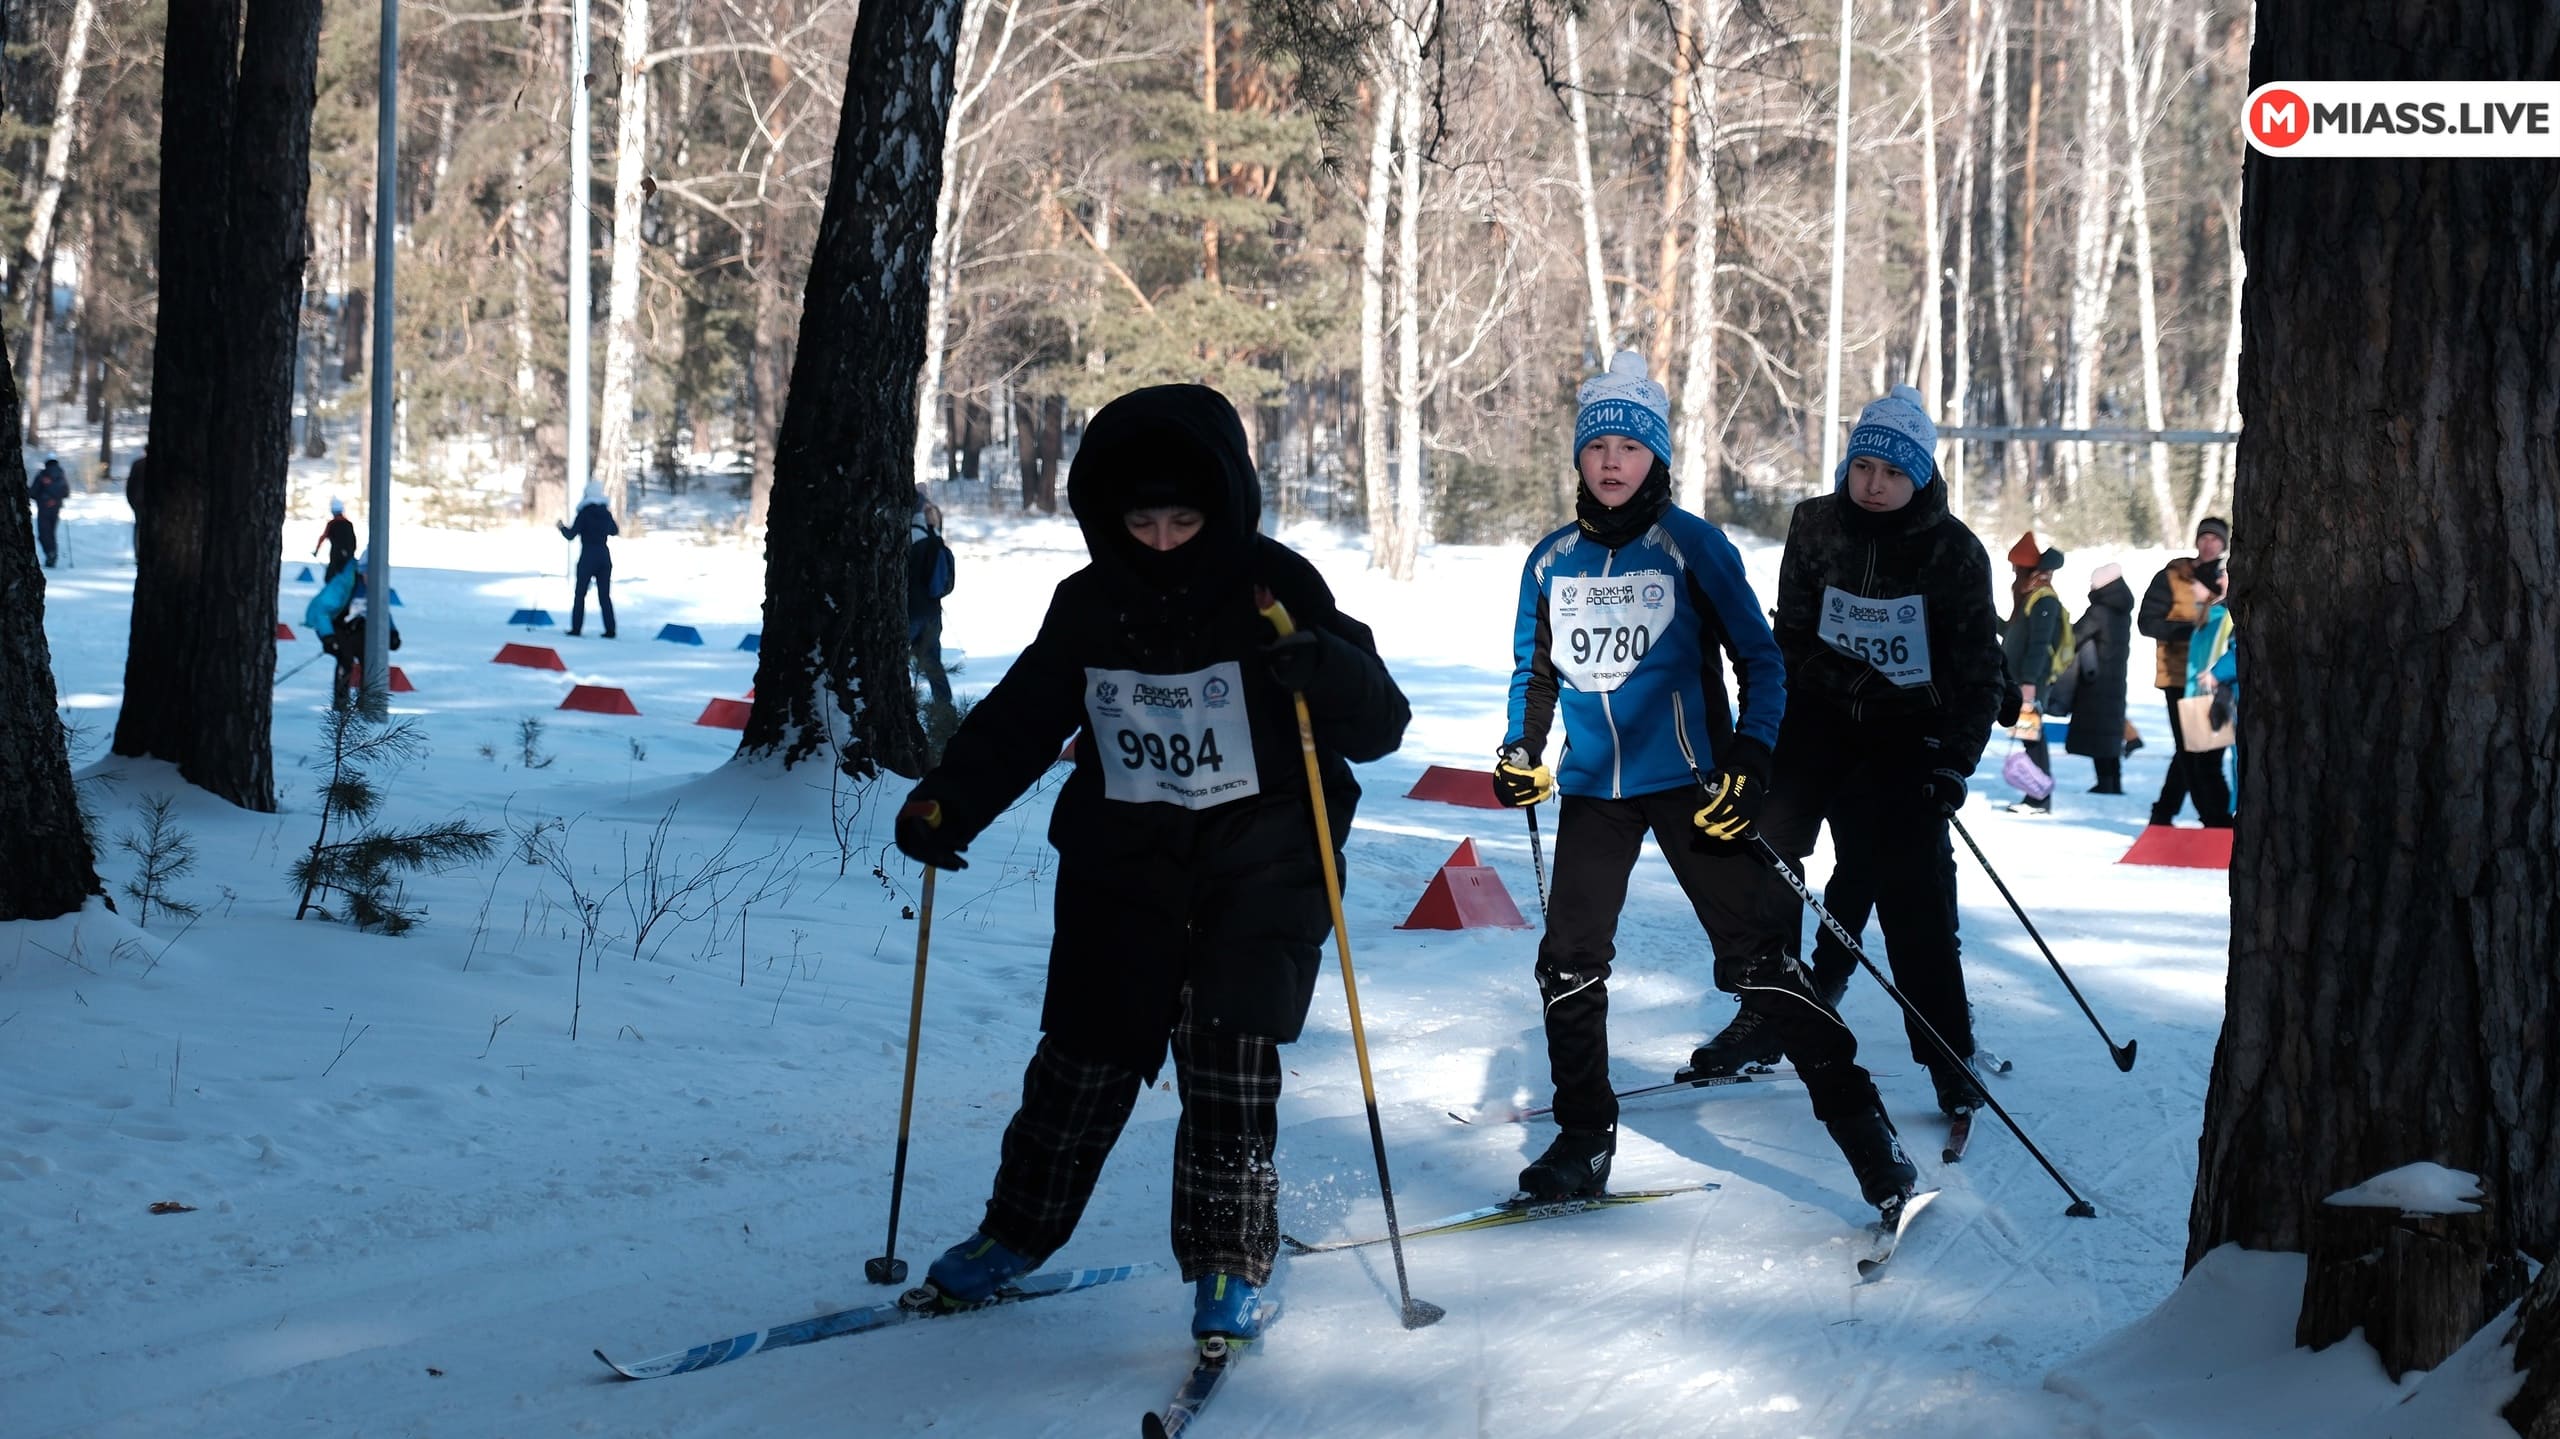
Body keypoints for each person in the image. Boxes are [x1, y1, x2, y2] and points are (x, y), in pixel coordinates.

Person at [891, 383, 1409, 1347]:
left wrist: (1323, 666)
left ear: (1222, 508)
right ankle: (1013, 1233)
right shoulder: (1089, 604)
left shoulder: (1272, 584)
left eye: (1184, 521)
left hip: (1263, 862)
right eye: (1141, 522)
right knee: (1081, 1060)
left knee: (1227, 1062)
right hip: (1125, 865)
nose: (1163, 541)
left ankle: (1227, 1265)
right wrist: (947, 801)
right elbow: (1021, 718)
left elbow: (1382, 722)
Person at [1493, 351, 1915, 1216]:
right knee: (1567, 965)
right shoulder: (1550, 560)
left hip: (1695, 785)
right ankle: (1583, 1138)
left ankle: (1869, 1139)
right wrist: (1519, 749)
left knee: (1758, 962)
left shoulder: (1693, 545)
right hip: (1595, 787)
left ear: (1657, 455)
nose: (1612, 461)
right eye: (1597, 445)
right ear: (1578, 456)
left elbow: (1763, 661)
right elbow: (1534, 671)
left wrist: (1752, 762)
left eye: (1629, 446)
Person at [1694, 384, 2004, 1126]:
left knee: (1912, 895)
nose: (1874, 484)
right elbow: (1789, 637)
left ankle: (1947, 1051)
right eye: (1864, 466)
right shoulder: (1814, 524)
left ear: (1920, 476)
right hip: (1819, 718)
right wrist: (1763, 734)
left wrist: (1953, 763)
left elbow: (1980, 673)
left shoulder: (1954, 551)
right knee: (1766, 852)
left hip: (1907, 732)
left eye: (1893, 472)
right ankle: (1770, 1011)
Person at [2138, 519, 2233, 826]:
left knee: (2203, 750)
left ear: (2224, 544)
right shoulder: (2172, 576)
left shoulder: (2228, 577)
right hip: (2179, 676)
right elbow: (2147, 622)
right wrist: (2194, 632)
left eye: (2215, 539)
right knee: (2193, 750)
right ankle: (2215, 820)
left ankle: (2165, 813)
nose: (2209, 544)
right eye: (2204, 537)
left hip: (2220, 677)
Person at [1998, 536, 2070, 815]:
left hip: (2031, 682)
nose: (2013, 572)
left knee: (2032, 738)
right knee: (2030, 737)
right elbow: (2014, 633)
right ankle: (2036, 795)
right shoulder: (2031, 597)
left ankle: (2038, 798)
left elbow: (2039, 645)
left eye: (2016, 567)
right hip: (2022, 681)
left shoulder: (2044, 599)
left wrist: (2029, 683)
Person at [2066, 562, 2135, 794]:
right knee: (2109, 731)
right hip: (2115, 677)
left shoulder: (2099, 611)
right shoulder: (2121, 608)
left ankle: (2104, 782)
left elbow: (2075, 637)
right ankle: (2113, 780)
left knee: (2098, 731)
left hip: (2096, 678)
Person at [304, 552, 400, 709]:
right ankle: (341, 705)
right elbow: (322, 611)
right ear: (362, 572)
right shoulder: (345, 583)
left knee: (369, 660)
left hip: (358, 627)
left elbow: (382, 613)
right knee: (345, 658)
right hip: (337, 626)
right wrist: (328, 636)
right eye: (370, 574)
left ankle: (366, 704)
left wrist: (392, 633)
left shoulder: (376, 588)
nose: (374, 580)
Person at [2183, 560, 2238, 819]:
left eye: (2196, 582)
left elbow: (2227, 653)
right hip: (2202, 695)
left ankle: (2219, 822)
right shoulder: (2208, 616)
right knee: (2198, 763)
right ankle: (2214, 820)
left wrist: (2215, 675)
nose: (2192, 587)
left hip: (2216, 697)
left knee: (2206, 764)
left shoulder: (2222, 616)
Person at [907, 485, 956, 710]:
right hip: (933, 612)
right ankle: (945, 711)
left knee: (894, 662)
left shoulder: (910, 535)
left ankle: (903, 708)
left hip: (910, 612)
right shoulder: (935, 535)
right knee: (933, 663)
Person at [559, 480, 618, 638]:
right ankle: (610, 629)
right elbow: (614, 531)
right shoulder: (606, 513)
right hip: (604, 556)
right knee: (604, 596)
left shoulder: (584, 513)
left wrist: (561, 527)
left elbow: (571, 535)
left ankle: (576, 628)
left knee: (580, 594)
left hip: (588, 555)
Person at [27, 453, 69, 567]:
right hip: (56, 508)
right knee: (51, 532)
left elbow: (33, 492)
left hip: (44, 507)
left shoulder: (42, 474)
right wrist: (55, 500)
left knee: (43, 533)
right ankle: (52, 554)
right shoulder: (61, 474)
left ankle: (50, 554)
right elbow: (66, 492)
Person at [313, 497, 359, 581]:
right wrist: (350, 553)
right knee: (346, 575)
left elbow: (323, 537)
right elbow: (353, 540)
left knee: (330, 577)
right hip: (348, 555)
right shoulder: (349, 524)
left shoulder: (332, 524)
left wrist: (316, 551)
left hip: (335, 554)